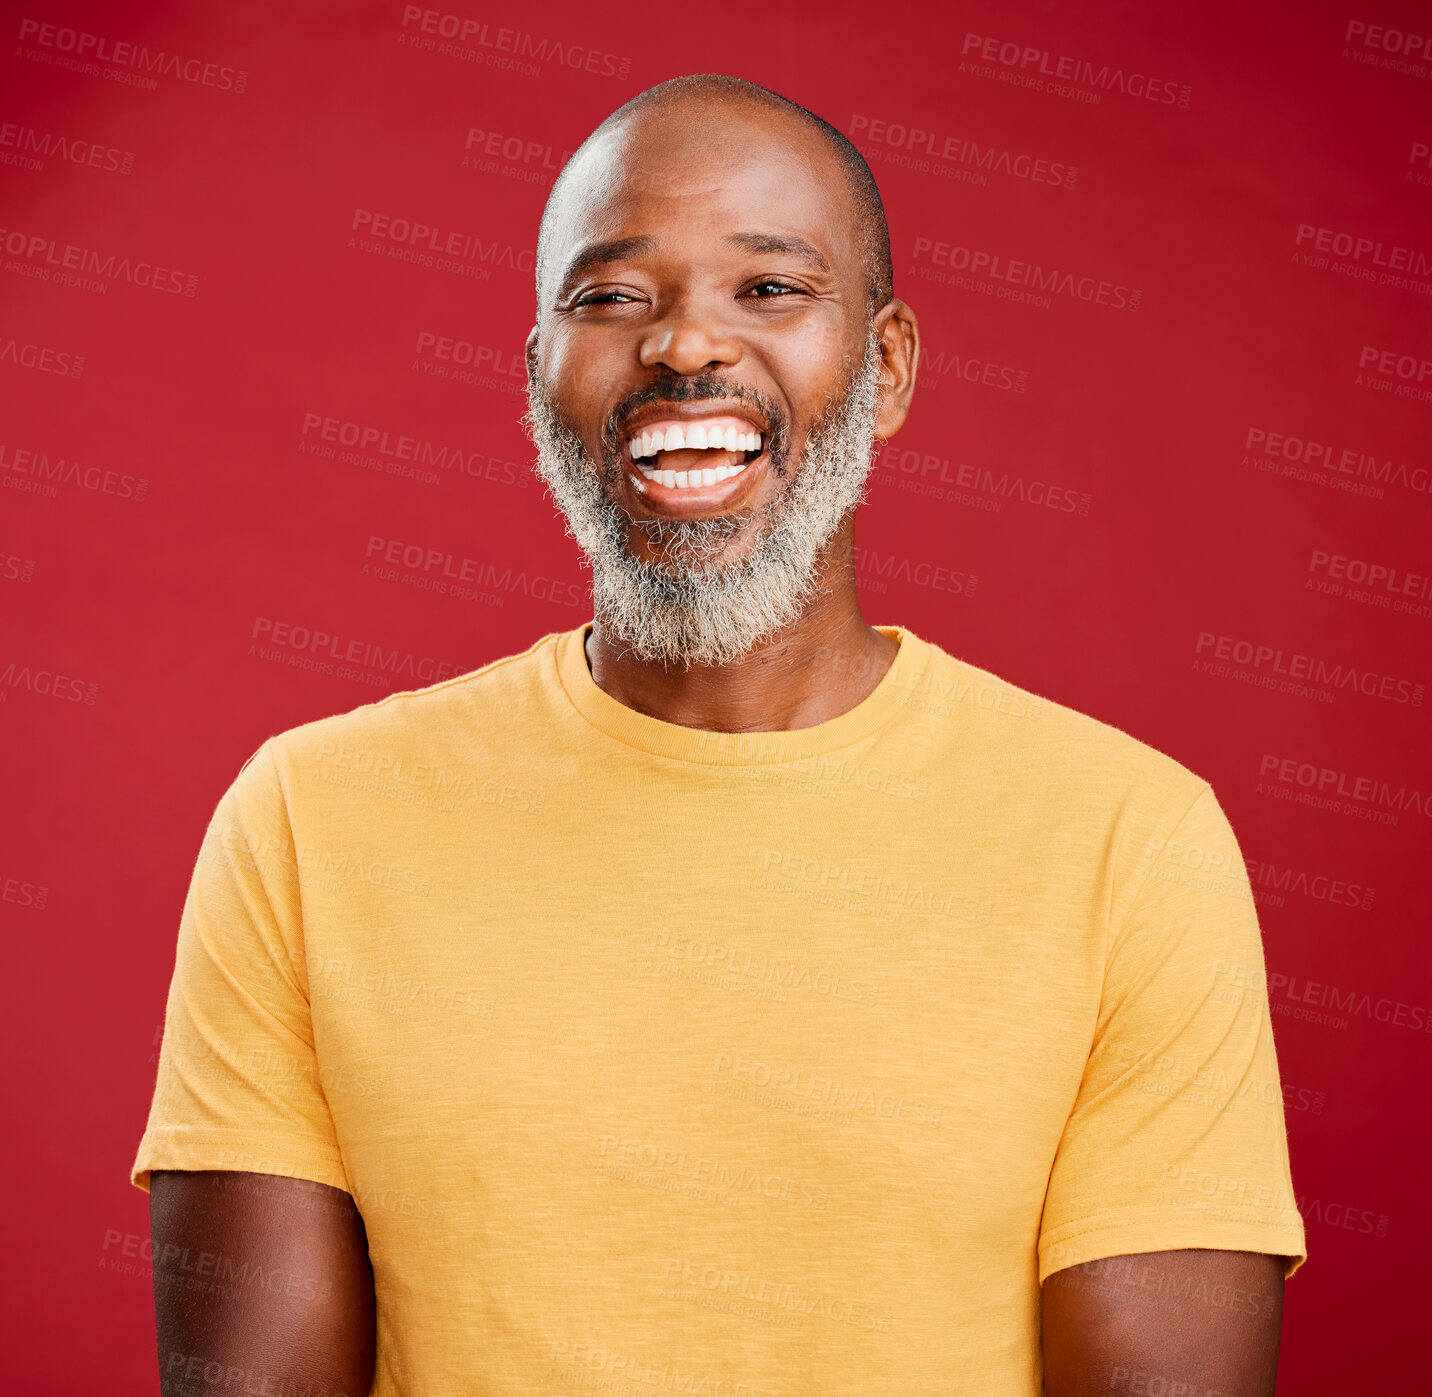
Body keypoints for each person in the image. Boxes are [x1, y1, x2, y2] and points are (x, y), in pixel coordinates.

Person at [135, 74, 1305, 1397]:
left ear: (891, 366)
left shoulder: (1130, 840)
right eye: (612, 297)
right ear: (538, 381)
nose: (687, 347)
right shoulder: (309, 822)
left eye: (769, 290)